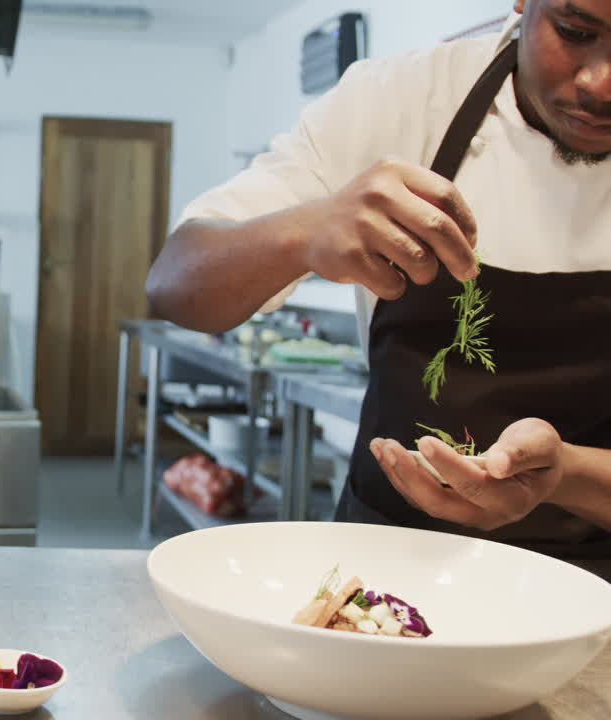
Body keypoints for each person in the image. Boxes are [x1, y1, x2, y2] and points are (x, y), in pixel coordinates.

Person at [147, 0, 611, 572]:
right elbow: (174, 283)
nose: (600, 82)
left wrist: (563, 473)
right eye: (575, 31)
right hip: (385, 577)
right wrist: (304, 233)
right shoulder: (400, 101)